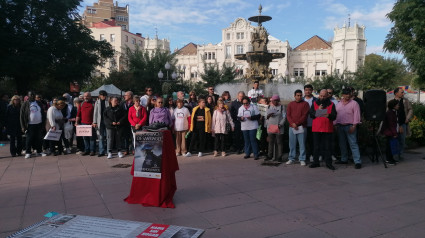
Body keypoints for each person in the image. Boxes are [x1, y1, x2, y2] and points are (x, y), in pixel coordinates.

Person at [309, 89, 337, 170]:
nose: (322, 97)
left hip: (327, 128)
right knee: (316, 147)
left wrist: (329, 115)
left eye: (324, 96)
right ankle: (316, 162)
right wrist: (319, 110)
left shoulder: (331, 104)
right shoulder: (314, 104)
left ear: (327, 96)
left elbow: (334, 116)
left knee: (328, 147)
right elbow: (311, 114)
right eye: (321, 96)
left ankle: (328, 163)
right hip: (316, 128)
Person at [334, 88, 362, 169]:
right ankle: (344, 159)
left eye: (349, 94)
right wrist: (335, 125)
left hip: (350, 126)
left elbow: (357, 115)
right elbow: (336, 115)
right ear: (342, 95)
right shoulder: (338, 104)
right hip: (340, 126)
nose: (347, 96)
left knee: (353, 144)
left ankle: (357, 161)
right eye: (345, 94)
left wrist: (354, 126)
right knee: (342, 144)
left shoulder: (354, 103)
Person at [286, 90, 310, 166]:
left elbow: (305, 116)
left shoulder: (305, 104)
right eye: (297, 95)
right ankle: (291, 158)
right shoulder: (290, 104)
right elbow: (288, 115)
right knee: (292, 144)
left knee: (302, 144)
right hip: (292, 127)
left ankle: (302, 158)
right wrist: (292, 123)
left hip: (302, 127)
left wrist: (296, 123)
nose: (299, 97)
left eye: (300, 95)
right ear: (294, 96)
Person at [20, 91, 46, 159]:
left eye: (33, 95)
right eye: (30, 95)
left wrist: (43, 122)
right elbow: (21, 115)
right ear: (28, 96)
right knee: (29, 139)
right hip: (30, 124)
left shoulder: (39, 103)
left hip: (39, 123)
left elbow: (42, 113)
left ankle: (39, 151)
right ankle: (28, 152)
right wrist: (23, 126)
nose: (32, 96)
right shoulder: (25, 104)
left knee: (39, 138)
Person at [392, 87, 413, 160]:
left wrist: (408, 118)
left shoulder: (405, 100)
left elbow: (410, 109)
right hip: (394, 124)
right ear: (396, 93)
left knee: (402, 140)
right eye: (401, 92)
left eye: (403, 92)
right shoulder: (391, 101)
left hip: (403, 123)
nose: (403, 93)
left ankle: (400, 155)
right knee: (394, 139)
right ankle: (394, 155)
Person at [265, 95, 286, 162]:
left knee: (279, 142)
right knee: (270, 142)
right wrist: (268, 116)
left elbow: (284, 117)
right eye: (274, 100)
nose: (275, 102)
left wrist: (280, 125)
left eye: (277, 100)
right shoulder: (268, 107)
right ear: (272, 101)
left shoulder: (282, 107)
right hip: (271, 127)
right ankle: (269, 155)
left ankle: (279, 156)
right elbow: (266, 117)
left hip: (279, 127)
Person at [75, 92, 96, 156]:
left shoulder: (94, 104)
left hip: (91, 124)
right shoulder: (81, 104)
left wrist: (94, 122)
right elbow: (78, 114)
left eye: (87, 96)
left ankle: (92, 150)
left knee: (92, 138)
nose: (86, 97)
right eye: (85, 96)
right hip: (83, 123)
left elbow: (96, 114)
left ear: (90, 97)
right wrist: (76, 122)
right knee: (85, 138)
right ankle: (87, 150)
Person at [381, 99, 400, 165]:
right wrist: (394, 133)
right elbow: (391, 124)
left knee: (390, 146)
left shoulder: (393, 112)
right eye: (397, 105)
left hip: (390, 131)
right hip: (390, 132)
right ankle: (389, 159)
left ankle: (390, 158)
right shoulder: (390, 113)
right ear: (394, 106)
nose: (398, 106)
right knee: (390, 146)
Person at [93, 90, 109, 157]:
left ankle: (109, 151)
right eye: (102, 95)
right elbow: (95, 113)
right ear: (99, 95)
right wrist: (94, 122)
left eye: (104, 95)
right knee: (101, 137)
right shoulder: (97, 102)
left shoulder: (108, 102)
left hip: (107, 121)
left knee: (108, 137)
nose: (103, 96)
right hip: (100, 121)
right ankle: (101, 151)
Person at [303, 84, 317, 162]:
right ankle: (305, 155)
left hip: (313, 123)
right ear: (304, 91)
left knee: (312, 140)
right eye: (306, 90)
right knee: (304, 141)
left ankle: (312, 154)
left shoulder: (316, 100)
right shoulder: (301, 99)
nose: (307, 91)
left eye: (309, 90)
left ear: (312, 91)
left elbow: (320, 111)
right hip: (303, 123)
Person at [120, 91, 134, 155]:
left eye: (126, 95)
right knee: (126, 137)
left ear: (130, 96)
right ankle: (126, 149)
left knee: (132, 137)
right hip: (124, 123)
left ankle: (133, 149)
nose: (124, 96)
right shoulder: (122, 103)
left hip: (132, 122)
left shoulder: (134, 103)